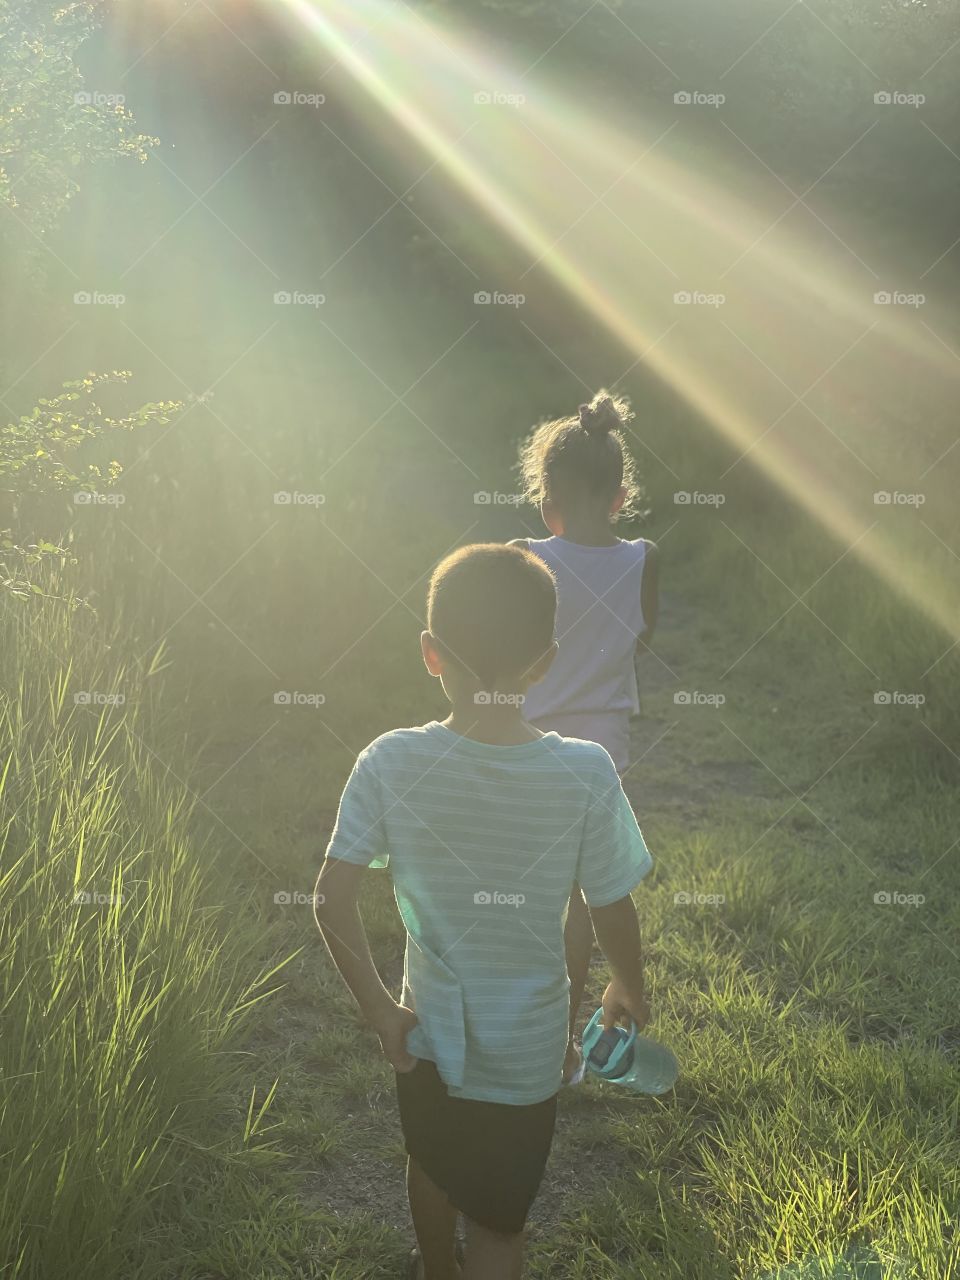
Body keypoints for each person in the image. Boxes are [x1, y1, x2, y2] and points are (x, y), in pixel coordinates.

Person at [314, 543, 653, 1280]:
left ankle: (438, 1272)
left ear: (431, 654)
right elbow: (605, 904)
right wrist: (627, 984)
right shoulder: (584, 773)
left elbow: (331, 896)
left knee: (431, 1163)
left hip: (424, 1033)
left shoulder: (390, 762)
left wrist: (378, 1009)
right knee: (501, 1220)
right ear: (544, 663)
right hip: (528, 1048)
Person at [509, 389, 659, 1085]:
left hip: (522, 747)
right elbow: (639, 638)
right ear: (620, 497)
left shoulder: (524, 558)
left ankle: (516, 1026)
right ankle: (568, 1038)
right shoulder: (642, 562)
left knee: (519, 893)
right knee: (586, 898)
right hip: (599, 760)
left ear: (547, 505)